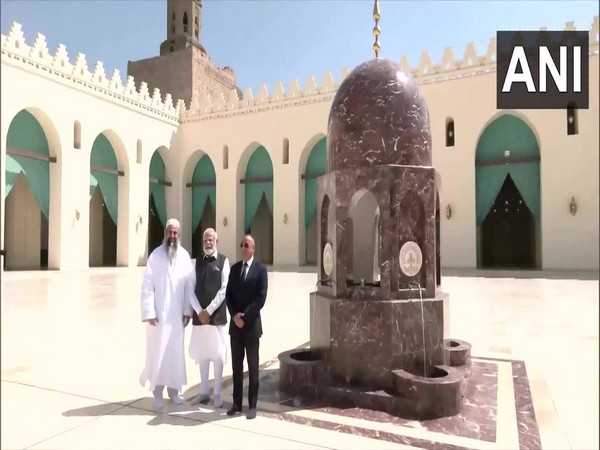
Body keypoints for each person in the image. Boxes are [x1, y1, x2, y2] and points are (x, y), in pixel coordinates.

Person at [139, 218, 194, 410]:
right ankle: (158, 393)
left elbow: (189, 286)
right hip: (159, 318)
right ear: (165, 233)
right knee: (158, 354)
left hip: (177, 318)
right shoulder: (155, 256)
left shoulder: (185, 257)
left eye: (175, 233)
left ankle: (174, 392)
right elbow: (147, 286)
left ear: (179, 235)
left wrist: (188, 310)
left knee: (175, 355)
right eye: (170, 232)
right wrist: (149, 312)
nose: (172, 236)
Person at [225, 234, 268, 420]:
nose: (243, 248)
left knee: (252, 367)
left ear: (253, 249)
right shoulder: (234, 269)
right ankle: (236, 403)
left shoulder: (261, 270)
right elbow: (228, 296)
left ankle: (252, 405)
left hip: (251, 327)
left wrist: (246, 316)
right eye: (241, 244)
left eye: (246, 245)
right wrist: (234, 315)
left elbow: (261, 298)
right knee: (236, 367)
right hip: (236, 327)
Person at [188, 228, 230, 408]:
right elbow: (190, 288)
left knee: (217, 355)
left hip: (216, 318)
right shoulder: (196, 262)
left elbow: (224, 288)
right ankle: (204, 393)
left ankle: (218, 394)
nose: (208, 242)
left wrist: (209, 310)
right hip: (200, 318)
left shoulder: (223, 261)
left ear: (216, 241)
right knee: (203, 354)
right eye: (205, 239)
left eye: (211, 239)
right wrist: (199, 311)